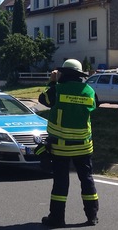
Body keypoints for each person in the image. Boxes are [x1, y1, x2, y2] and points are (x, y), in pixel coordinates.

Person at [38, 59, 99, 227]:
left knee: (61, 183)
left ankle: (57, 218)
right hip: (84, 145)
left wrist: (52, 81)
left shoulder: (57, 89)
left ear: (63, 73)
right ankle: (92, 216)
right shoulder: (89, 91)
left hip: (61, 147)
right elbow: (93, 107)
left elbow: (43, 99)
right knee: (87, 180)